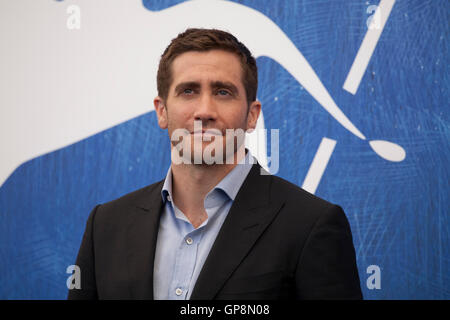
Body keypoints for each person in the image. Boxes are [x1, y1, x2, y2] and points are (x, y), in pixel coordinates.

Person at [68, 28, 363, 300]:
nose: (205, 111)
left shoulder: (311, 225)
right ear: (162, 111)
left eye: (223, 92)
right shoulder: (106, 226)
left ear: (252, 115)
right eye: (188, 91)